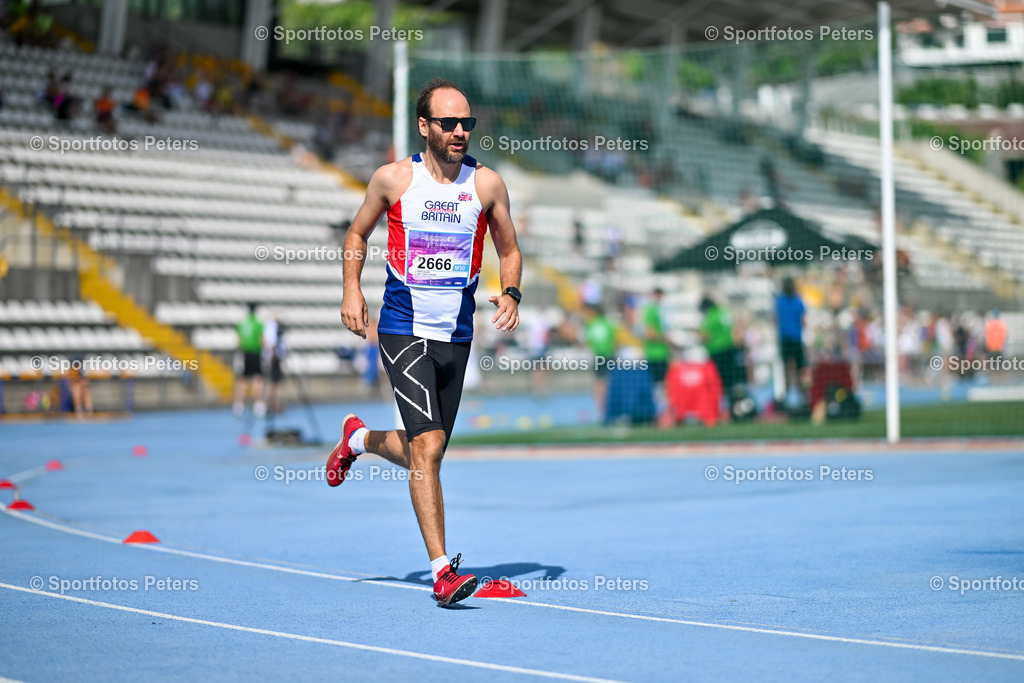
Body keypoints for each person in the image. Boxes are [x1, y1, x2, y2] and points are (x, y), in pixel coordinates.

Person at [329, 78, 522, 608]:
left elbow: (509, 247)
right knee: (429, 448)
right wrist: (352, 290)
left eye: (467, 124)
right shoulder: (394, 179)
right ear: (425, 127)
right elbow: (356, 236)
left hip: (456, 335)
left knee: (426, 448)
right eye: (449, 123)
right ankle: (442, 572)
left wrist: (511, 292)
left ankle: (359, 440)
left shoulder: (486, 185)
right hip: (401, 326)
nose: (460, 132)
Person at [698, 296, 738, 409]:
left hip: (717, 352)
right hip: (730, 349)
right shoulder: (724, 312)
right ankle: (733, 406)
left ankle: (720, 408)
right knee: (731, 381)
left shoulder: (710, 316)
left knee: (718, 382)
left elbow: (705, 336)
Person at [584, 303, 618, 421]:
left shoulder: (591, 325)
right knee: (609, 384)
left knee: (599, 384)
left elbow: (589, 341)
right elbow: (614, 341)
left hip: (599, 357)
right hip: (609, 356)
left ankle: (599, 410)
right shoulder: (609, 324)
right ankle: (609, 409)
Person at [775, 277, 806, 403]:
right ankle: (802, 395)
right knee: (800, 368)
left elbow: (775, 319)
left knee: (787, 368)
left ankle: (787, 396)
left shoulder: (779, 301)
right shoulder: (798, 301)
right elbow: (803, 321)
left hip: (784, 339)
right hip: (796, 339)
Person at [234, 302, 266, 418]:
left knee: (243, 379)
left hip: (244, 353)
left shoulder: (242, 323)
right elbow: (262, 341)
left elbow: (238, 341)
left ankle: (239, 405)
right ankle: (258, 405)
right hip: (256, 353)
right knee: (257, 379)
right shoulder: (259, 324)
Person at [641, 288, 671, 388]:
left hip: (661, 352)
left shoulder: (659, 310)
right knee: (658, 384)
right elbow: (649, 334)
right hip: (654, 354)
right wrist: (665, 339)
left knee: (662, 383)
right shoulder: (650, 310)